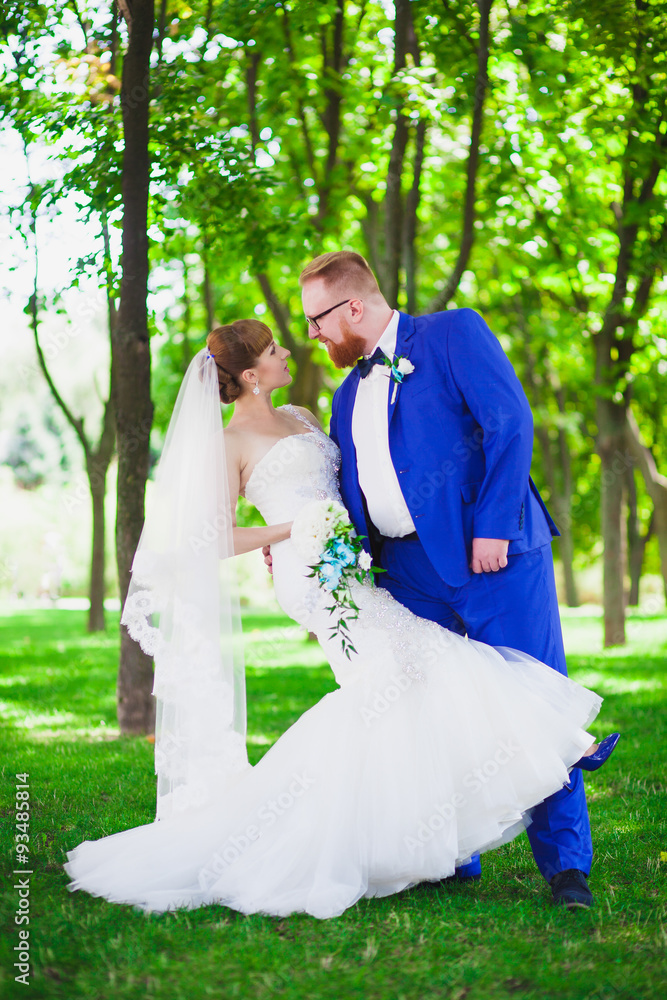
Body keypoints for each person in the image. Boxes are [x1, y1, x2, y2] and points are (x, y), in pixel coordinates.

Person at [64, 320, 618, 920]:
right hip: (311, 578)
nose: (288, 353)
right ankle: (549, 744)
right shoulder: (229, 445)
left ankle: (428, 834)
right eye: (275, 350)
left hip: (355, 566)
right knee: (415, 668)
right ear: (250, 376)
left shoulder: (303, 415)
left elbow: (349, 483)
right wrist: (289, 532)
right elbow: (214, 535)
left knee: (407, 682)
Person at [281, 250, 602, 908]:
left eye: (316, 319)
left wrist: (492, 525)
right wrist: (300, 542)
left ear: (353, 308)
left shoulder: (453, 333)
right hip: (406, 573)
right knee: (432, 714)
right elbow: (354, 488)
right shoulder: (345, 394)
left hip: (494, 558)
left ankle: (565, 865)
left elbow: (509, 422)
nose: (310, 334)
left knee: (534, 700)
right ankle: (452, 853)